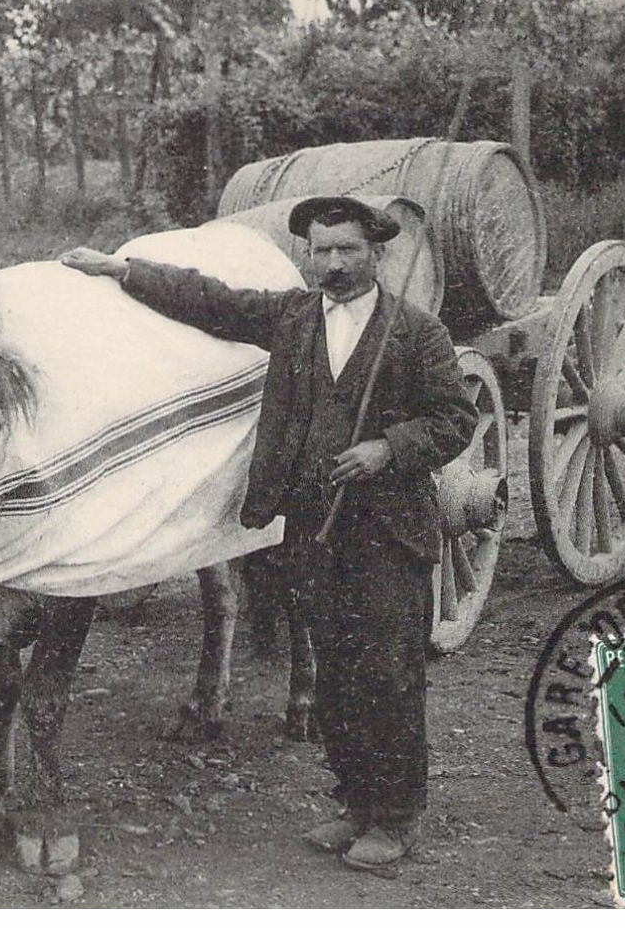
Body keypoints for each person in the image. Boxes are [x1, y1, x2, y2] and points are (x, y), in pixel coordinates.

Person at [60, 196, 476, 871]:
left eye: (345, 249)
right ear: (306, 256)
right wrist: (120, 269)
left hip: (388, 536)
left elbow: (455, 419)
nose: (332, 263)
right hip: (312, 530)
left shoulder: (415, 332)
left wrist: (387, 449)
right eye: (320, 250)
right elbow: (209, 300)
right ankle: (353, 802)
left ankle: (396, 818)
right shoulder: (292, 317)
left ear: (376, 253)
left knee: (388, 675)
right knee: (333, 671)